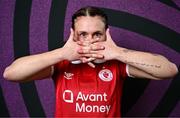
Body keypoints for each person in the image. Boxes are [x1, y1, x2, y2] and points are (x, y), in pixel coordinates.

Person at [3, 6, 178, 117]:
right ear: (73, 34)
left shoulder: (117, 63)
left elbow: (169, 70)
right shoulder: (60, 63)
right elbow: (10, 74)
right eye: (83, 34)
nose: (90, 41)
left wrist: (118, 53)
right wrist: (61, 53)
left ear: (106, 34)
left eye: (97, 34)